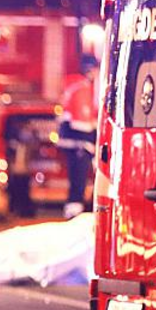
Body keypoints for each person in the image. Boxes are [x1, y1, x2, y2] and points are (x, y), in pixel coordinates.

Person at [58, 55, 98, 218]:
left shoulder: (73, 86)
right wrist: (95, 137)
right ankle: (75, 213)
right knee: (79, 180)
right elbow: (83, 122)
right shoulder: (82, 88)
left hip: (72, 142)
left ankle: (73, 210)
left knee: (75, 179)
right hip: (80, 143)